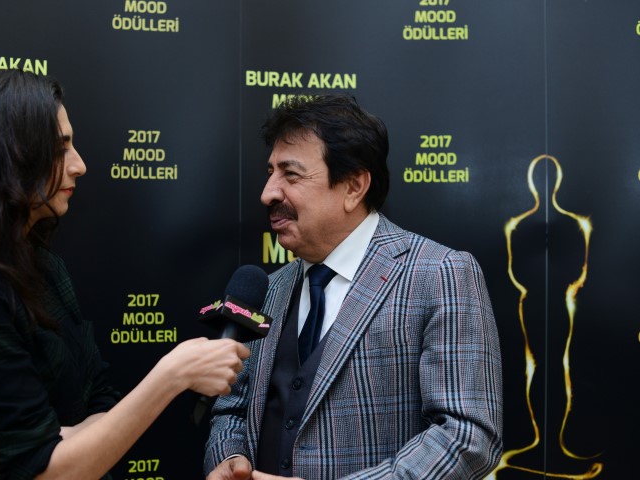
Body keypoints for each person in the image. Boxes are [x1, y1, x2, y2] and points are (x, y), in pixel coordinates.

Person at [0, 69, 250, 480]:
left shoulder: (44, 266)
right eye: (60, 149)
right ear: (7, 155)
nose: (80, 165)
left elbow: (98, 399)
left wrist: (59, 442)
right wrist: (172, 374)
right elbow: (50, 473)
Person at [204, 94, 503, 479]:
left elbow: (466, 436)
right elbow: (231, 407)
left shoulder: (439, 274)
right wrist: (229, 458)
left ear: (353, 186)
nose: (268, 193)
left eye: (291, 175)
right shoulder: (270, 288)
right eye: (270, 172)